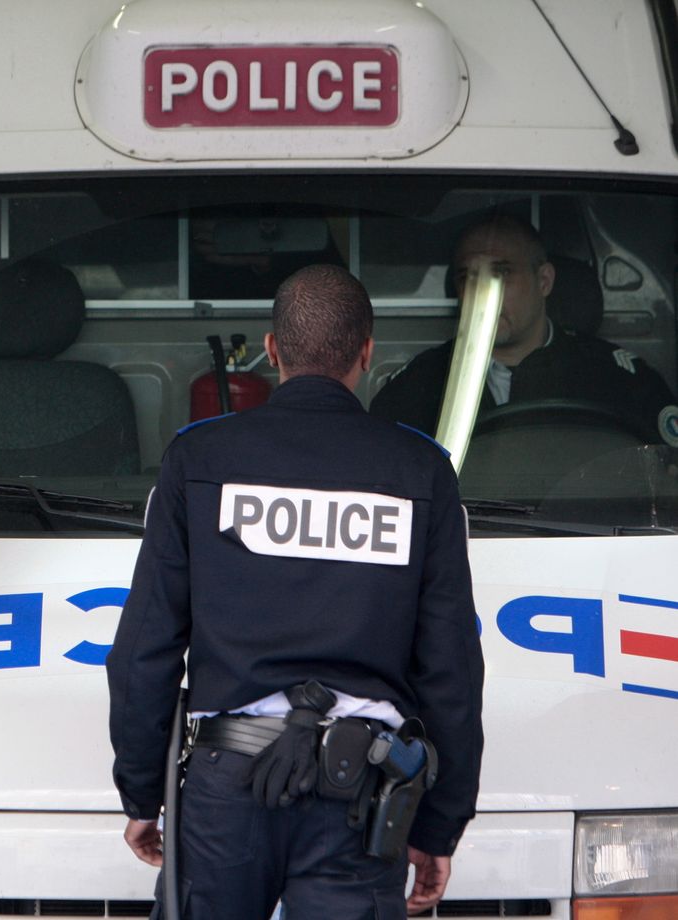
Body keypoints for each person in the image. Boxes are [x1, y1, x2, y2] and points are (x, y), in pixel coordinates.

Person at [107, 265, 484, 918]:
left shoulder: (200, 460)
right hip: (360, 793)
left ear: (273, 348)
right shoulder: (420, 470)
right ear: (368, 354)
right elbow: (450, 664)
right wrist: (437, 825)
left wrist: (143, 794)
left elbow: (146, 648)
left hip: (227, 789)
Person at [370, 214, 677, 443]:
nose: (482, 295)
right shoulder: (420, 383)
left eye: (501, 274)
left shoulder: (618, 381)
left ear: (544, 281)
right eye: (469, 278)